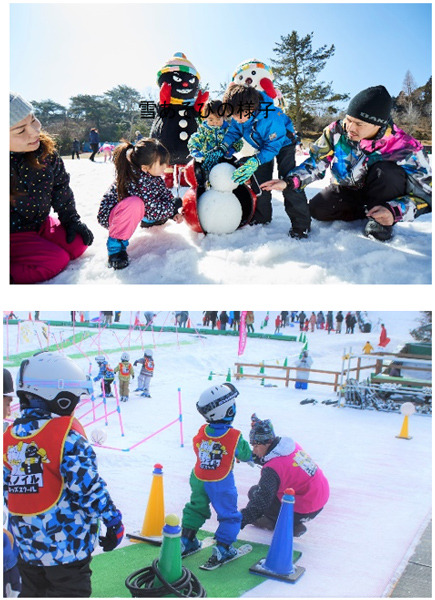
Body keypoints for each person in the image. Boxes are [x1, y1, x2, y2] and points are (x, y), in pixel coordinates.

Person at [3, 352, 124, 597]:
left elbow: (9, 491)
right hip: (66, 551)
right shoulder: (66, 437)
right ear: (61, 400)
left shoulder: (10, 437)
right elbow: (88, 487)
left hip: (27, 550)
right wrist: (113, 520)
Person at [261, 85, 432, 242]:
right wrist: (290, 181)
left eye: (359, 124)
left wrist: (395, 211)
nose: (350, 127)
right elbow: (316, 161)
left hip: (382, 193)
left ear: (378, 125)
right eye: (349, 119)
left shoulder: (405, 146)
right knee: (317, 209)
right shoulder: (336, 131)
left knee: (386, 171)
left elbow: (426, 194)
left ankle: (380, 220)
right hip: (346, 190)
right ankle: (365, 211)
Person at [204, 85, 310, 238]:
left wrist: (256, 160)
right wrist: (223, 148)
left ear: (252, 108)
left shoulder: (270, 117)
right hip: (262, 145)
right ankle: (262, 216)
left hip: (284, 143)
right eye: (234, 116)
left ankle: (301, 225)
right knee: (260, 179)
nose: (238, 119)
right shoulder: (238, 113)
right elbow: (233, 132)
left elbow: (273, 147)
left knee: (289, 179)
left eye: (241, 115)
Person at [10, 92, 94, 284]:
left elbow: (60, 187)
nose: (34, 131)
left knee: (78, 244)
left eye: (33, 120)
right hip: (12, 233)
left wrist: (71, 219)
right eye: (21, 130)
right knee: (55, 261)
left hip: (39, 222)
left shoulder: (45, 153)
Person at [180, 383, 252, 568]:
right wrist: (252, 457)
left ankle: (186, 540)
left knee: (196, 507)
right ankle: (223, 548)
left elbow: (198, 444)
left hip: (199, 476)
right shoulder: (235, 436)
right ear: (228, 411)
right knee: (229, 514)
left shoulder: (202, 431)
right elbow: (244, 453)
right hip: (220, 482)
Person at [97, 138, 184, 270]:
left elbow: (163, 193)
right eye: (161, 164)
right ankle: (115, 249)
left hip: (135, 210)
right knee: (137, 204)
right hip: (114, 216)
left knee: (147, 205)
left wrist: (172, 211)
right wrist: (171, 207)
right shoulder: (137, 180)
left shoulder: (151, 175)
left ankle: (148, 221)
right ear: (144, 167)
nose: (165, 167)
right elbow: (152, 209)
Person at [240, 414, 329, 537]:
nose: (254, 451)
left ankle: (288, 524)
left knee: (255, 492)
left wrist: (241, 519)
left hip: (304, 507)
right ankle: (292, 521)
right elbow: (274, 460)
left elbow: (262, 500)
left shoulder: (272, 469)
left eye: (256, 446)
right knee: (268, 491)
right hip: (320, 499)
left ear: (266, 443)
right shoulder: (290, 447)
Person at [187, 99, 243, 171]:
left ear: (223, 117)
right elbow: (195, 140)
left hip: (225, 161)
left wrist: (232, 149)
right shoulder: (204, 131)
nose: (215, 123)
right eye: (211, 120)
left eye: (218, 119)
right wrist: (195, 150)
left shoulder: (228, 130)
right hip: (207, 161)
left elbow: (238, 141)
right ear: (206, 118)